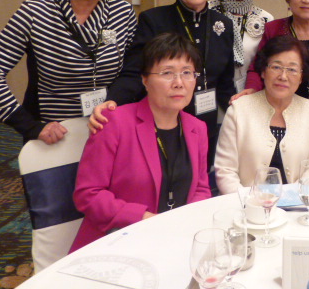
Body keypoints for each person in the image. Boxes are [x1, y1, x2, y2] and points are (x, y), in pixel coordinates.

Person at [90, 0, 235, 167]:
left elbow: (225, 83)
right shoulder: (154, 20)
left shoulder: (223, 24)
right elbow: (135, 71)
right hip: (160, 122)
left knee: (199, 178)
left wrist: (243, 113)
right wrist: (113, 101)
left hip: (205, 124)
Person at [0, 0, 136, 144]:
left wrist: (115, 104)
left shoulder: (122, 13)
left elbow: (133, 72)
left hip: (107, 129)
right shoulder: (34, 12)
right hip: (52, 134)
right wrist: (29, 125)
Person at [71, 33, 211, 250]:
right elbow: (88, 194)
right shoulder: (113, 122)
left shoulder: (197, 128)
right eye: (167, 73)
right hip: (118, 241)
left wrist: (186, 224)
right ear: (145, 80)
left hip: (177, 240)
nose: (179, 83)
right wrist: (147, 219)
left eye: (187, 73)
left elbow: (201, 188)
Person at [215, 36, 309, 194]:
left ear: (301, 76)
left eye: (292, 69)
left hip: (298, 202)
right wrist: (249, 202)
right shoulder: (239, 109)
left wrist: (296, 200)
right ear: (263, 71)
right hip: (245, 203)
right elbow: (225, 171)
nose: (283, 76)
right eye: (276, 67)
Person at [208, 0, 274, 92]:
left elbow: (265, 64)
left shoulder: (266, 19)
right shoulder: (206, 11)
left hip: (251, 93)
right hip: (211, 95)